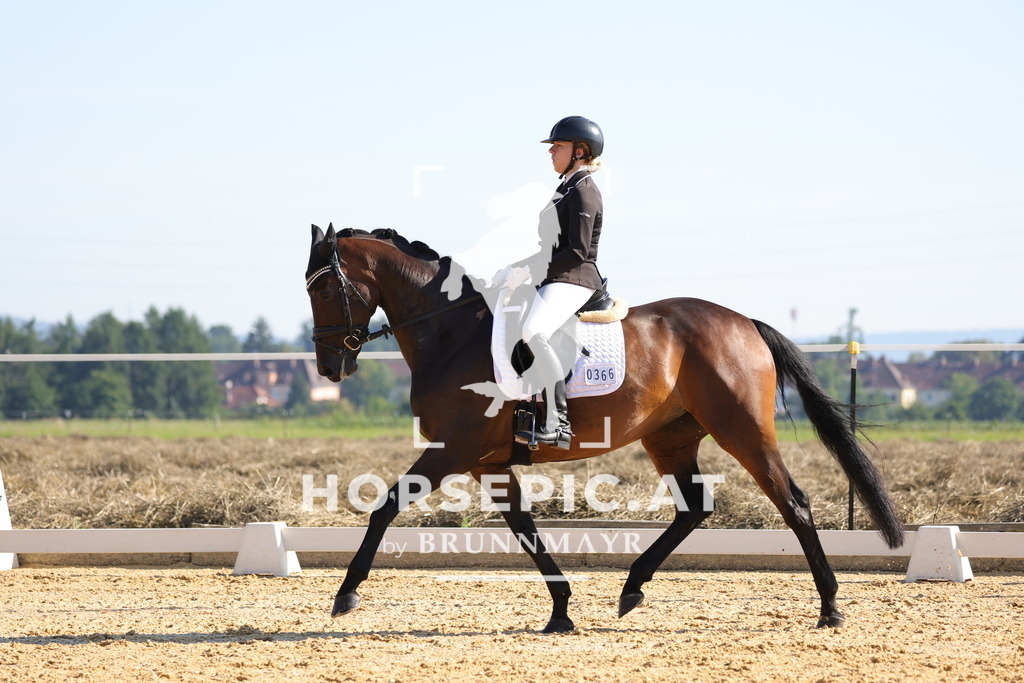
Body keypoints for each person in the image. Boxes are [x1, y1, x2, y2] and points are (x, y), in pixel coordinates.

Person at [511, 115, 605, 449]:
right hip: (557, 275)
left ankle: (558, 422)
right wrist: (516, 268)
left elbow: (576, 252)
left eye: (558, 146)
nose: (551, 151)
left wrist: (529, 271)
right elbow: (548, 248)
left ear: (580, 151)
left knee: (532, 330)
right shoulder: (567, 188)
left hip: (575, 278)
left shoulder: (584, 192)